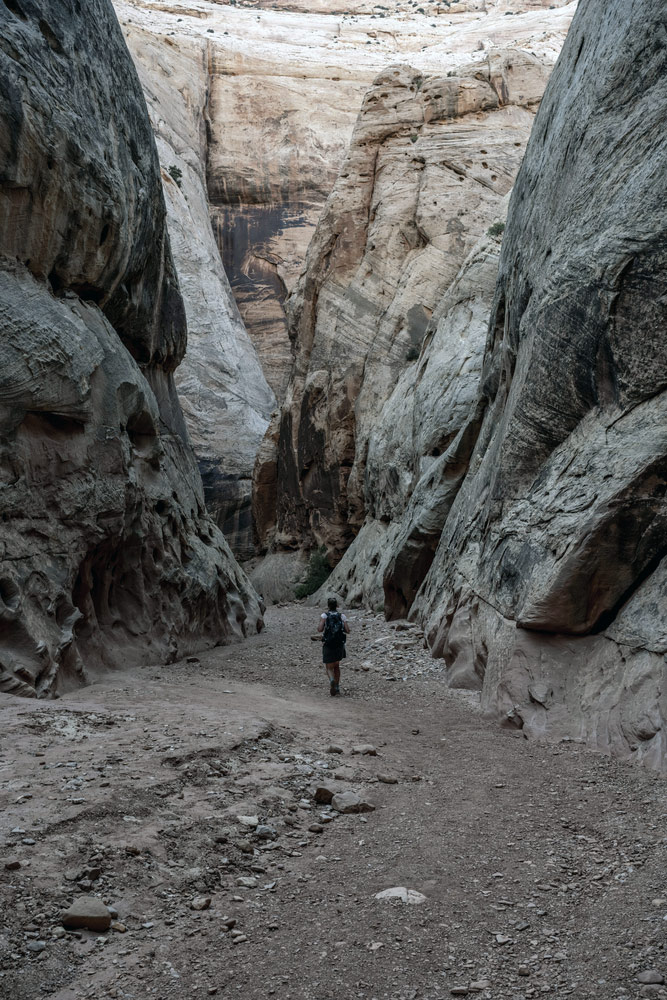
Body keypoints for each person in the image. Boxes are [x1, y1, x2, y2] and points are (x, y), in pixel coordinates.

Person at [317, 597, 350, 696]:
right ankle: (337, 687)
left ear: (328, 606)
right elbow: (347, 630)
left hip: (328, 644)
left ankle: (331, 680)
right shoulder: (341, 616)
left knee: (329, 667)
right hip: (339, 644)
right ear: (337, 605)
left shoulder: (324, 615)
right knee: (337, 666)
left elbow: (319, 629)